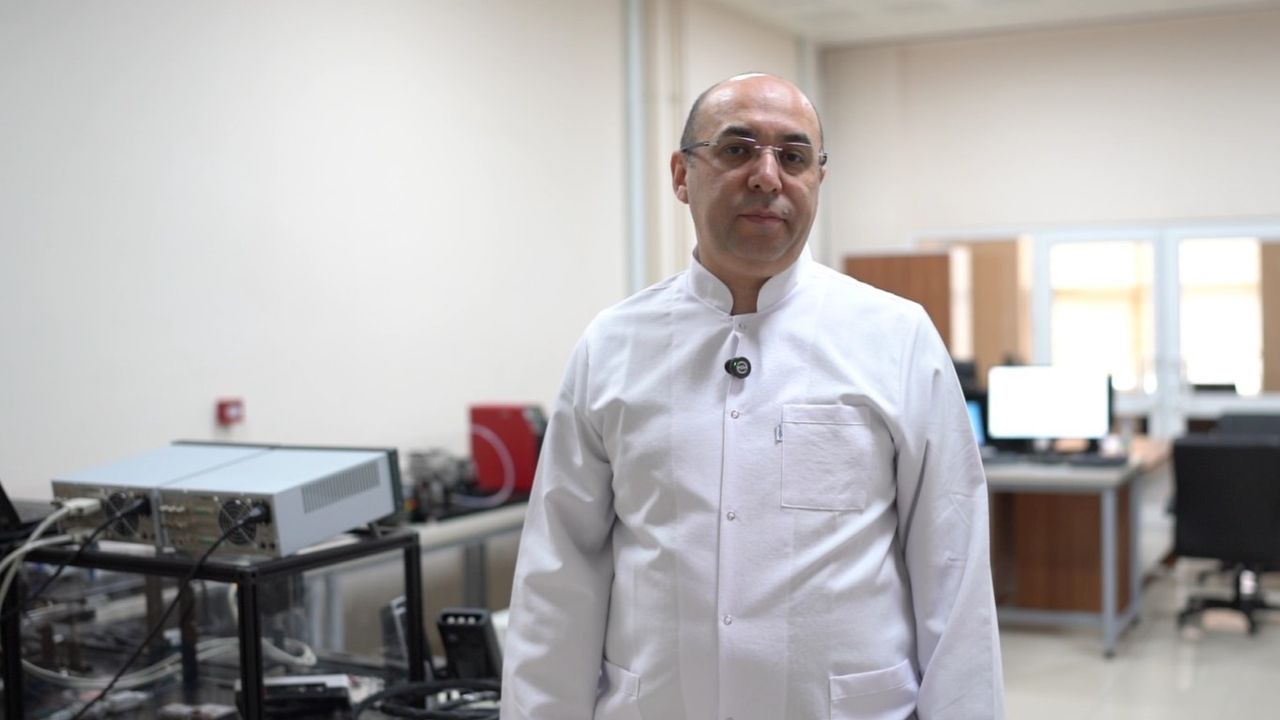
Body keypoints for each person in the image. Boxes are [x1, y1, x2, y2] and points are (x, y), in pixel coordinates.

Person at [500, 73, 1004, 719]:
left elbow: (954, 570)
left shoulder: (896, 337)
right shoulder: (614, 344)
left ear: (817, 179)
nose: (767, 177)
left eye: (793, 157)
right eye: (737, 149)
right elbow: (558, 573)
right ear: (681, 175)